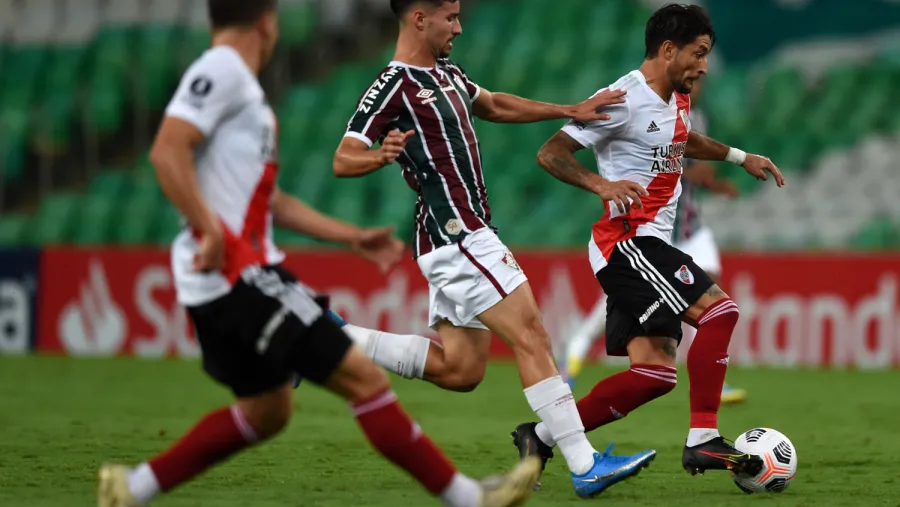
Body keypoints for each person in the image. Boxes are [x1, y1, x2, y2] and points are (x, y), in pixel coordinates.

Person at [96, 2, 542, 506]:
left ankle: (132, 489)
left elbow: (270, 201)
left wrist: (348, 236)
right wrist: (209, 230)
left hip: (238, 274)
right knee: (362, 379)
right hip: (237, 275)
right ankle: (468, 497)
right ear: (266, 22)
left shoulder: (243, 89)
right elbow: (166, 150)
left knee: (268, 412)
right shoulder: (222, 71)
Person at [332, 0, 656, 498]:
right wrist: (379, 156)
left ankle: (328, 337)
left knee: (460, 370)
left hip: (459, 236)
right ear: (420, 18)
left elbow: (494, 104)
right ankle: (584, 463)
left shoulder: (447, 74)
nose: (459, 27)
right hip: (458, 233)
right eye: (450, 17)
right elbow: (343, 157)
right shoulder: (392, 86)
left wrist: (566, 110)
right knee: (532, 333)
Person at [510, 3, 784, 486]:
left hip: (643, 247)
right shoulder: (622, 98)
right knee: (720, 313)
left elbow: (682, 140)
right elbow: (550, 152)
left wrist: (741, 156)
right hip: (629, 243)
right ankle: (703, 439)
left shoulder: (676, 96)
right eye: (698, 55)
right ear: (667, 49)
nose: (703, 66)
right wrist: (601, 186)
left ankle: (541, 436)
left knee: (655, 374)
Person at [558, 76, 748, 405]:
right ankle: (574, 350)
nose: (699, 80)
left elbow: (685, 157)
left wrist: (719, 182)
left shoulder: (695, 117)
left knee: (711, 295)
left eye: (704, 76)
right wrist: (695, 174)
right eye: (696, 61)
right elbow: (665, 162)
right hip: (646, 232)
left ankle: (710, 373)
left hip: (688, 226)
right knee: (634, 299)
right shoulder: (644, 108)